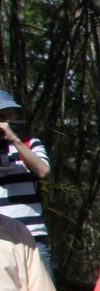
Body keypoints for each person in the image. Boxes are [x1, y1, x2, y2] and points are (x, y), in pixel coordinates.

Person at [0, 90, 53, 278]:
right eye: (1, 116)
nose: (6, 120)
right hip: (2, 239)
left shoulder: (30, 144)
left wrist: (14, 140)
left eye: (10, 114)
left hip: (32, 236)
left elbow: (43, 170)